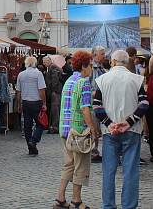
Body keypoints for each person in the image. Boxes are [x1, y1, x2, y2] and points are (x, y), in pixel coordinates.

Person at [94, 50, 149, 209]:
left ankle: (108, 206)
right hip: (131, 130)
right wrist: (128, 122)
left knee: (109, 172)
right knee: (130, 172)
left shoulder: (102, 80)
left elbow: (97, 105)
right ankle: (129, 206)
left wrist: (109, 123)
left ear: (112, 62)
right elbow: (144, 104)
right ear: (127, 62)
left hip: (110, 132)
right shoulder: (137, 79)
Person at [54, 50, 100, 209]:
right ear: (85, 66)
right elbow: (85, 108)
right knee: (80, 166)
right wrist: (93, 129)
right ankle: (76, 200)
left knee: (68, 164)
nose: (92, 69)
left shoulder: (69, 80)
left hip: (65, 129)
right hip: (78, 130)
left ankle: (60, 198)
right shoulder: (84, 82)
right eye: (91, 66)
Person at [16, 55, 47, 155]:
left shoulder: (21, 74)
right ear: (35, 63)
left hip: (25, 102)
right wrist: (44, 103)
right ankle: (33, 141)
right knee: (41, 124)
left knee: (27, 126)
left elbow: (18, 91)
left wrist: (18, 104)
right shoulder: (38, 74)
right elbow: (41, 90)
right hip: (36, 102)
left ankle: (31, 148)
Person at [89, 46, 107, 163]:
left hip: (99, 103)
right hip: (93, 103)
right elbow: (88, 85)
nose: (104, 56)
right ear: (95, 55)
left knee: (97, 129)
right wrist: (94, 92)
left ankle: (95, 152)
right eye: (103, 54)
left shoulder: (100, 67)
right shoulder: (91, 68)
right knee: (93, 128)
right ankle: (92, 153)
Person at [45, 56, 64, 134]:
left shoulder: (52, 67)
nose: (44, 63)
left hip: (55, 91)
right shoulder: (52, 67)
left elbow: (54, 79)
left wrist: (53, 90)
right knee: (55, 109)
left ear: (49, 61)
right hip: (56, 91)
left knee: (55, 109)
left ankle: (55, 127)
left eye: (45, 62)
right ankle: (55, 126)